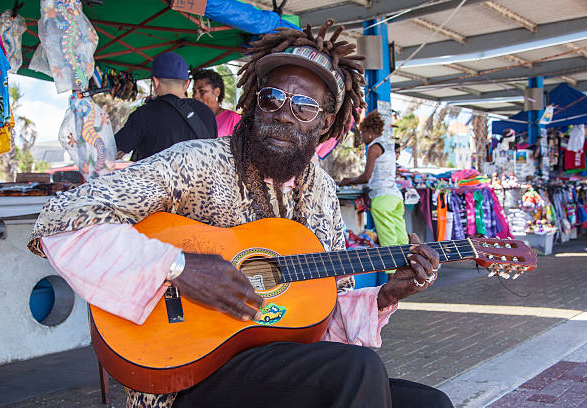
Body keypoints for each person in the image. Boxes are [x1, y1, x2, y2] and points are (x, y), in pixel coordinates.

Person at [28, 20, 453, 408]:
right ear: (253, 103)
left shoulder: (321, 193)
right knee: (356, 371)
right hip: (187, 375)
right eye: (273, 97)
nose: (285, 113)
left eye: (304, 106)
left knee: (428, 403)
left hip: (278, 362)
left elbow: (325, 310)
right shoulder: (195, 163)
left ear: (325, 124)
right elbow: (61, 218)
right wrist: (177, 267)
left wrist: (384, 296)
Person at [340, 111, 409, 288]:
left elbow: (366, 176)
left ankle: (392, 281)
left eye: (362, 133)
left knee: (388, 242)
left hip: (382, 199)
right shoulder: (389, 146)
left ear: (370, 132)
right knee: (401, 237)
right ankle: (408, 273)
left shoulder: (373, 148)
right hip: (395, 197)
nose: (362, 138)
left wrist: (348, 181)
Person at [114, 52, 217, 161]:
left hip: (154, 178)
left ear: (155, 82)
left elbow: (113, 152)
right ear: (187, 83)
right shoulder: (207, 113)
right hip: (199, 178)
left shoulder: (143, 114)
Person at [192, 68, 242, 137]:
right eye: (194, 91)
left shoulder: (232, 118)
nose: (195, 96)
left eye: (202, 91)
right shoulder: (192, 118)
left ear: (217, 92)